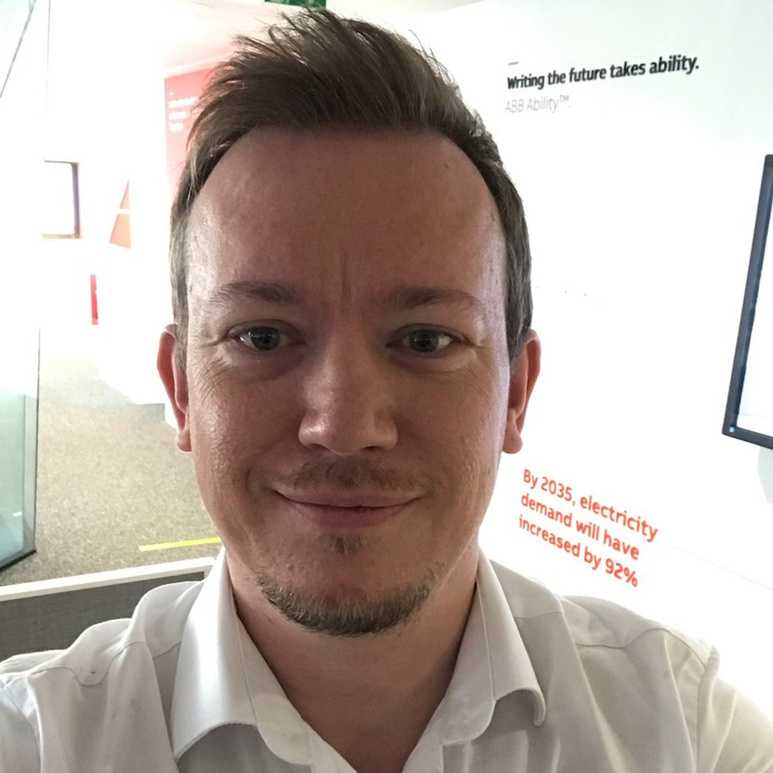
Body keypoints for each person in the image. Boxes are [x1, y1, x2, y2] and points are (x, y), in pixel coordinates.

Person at [1, 9, 772, 773]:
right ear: (182, 391)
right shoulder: (35, 743)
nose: (344, 424)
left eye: (426, 340)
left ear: (515, 393)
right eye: (261, 337)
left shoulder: (687, 732)